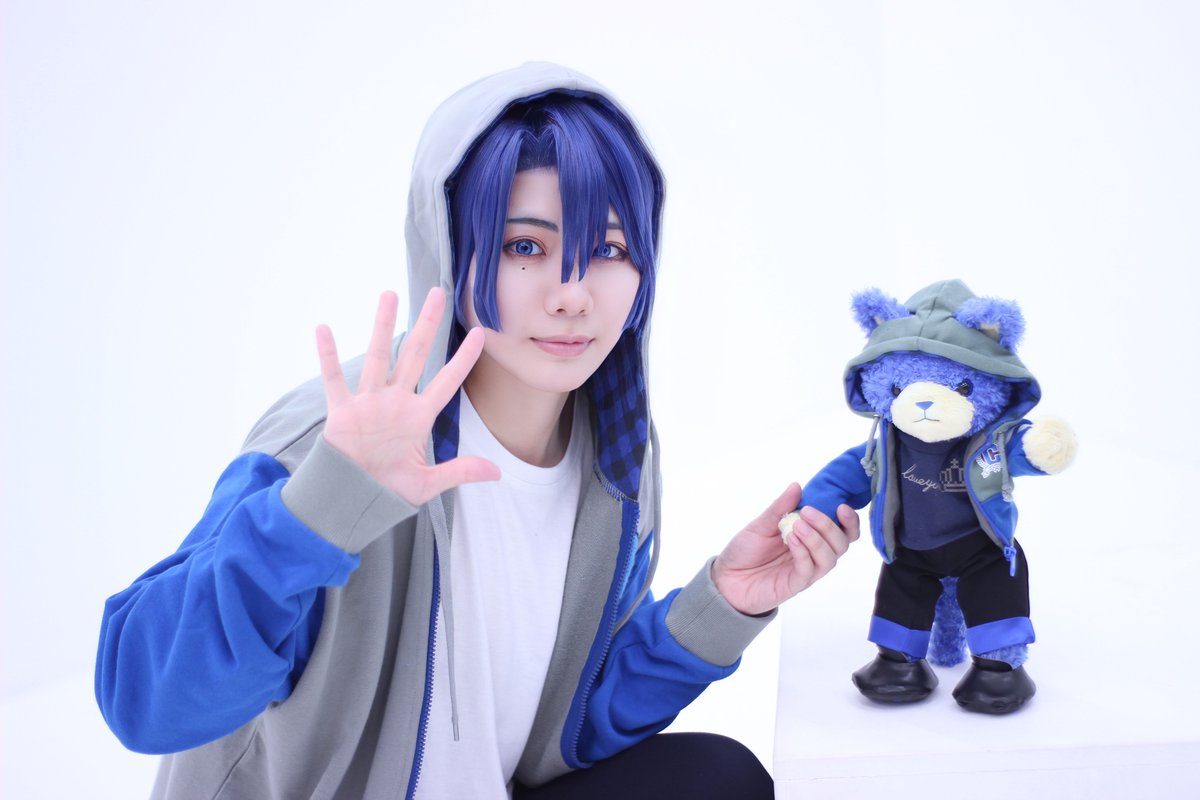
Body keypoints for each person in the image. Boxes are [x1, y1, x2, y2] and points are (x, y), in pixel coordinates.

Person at [95, 62, 860, 800]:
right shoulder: (339, 442)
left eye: (609, 250)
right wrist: (318, 514)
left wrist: (722, 603)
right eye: (525, 247)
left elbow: (564, 734)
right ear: (449, 250)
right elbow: (145, 704)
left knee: (718, 778)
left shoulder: (612, 462)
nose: (572, 294)